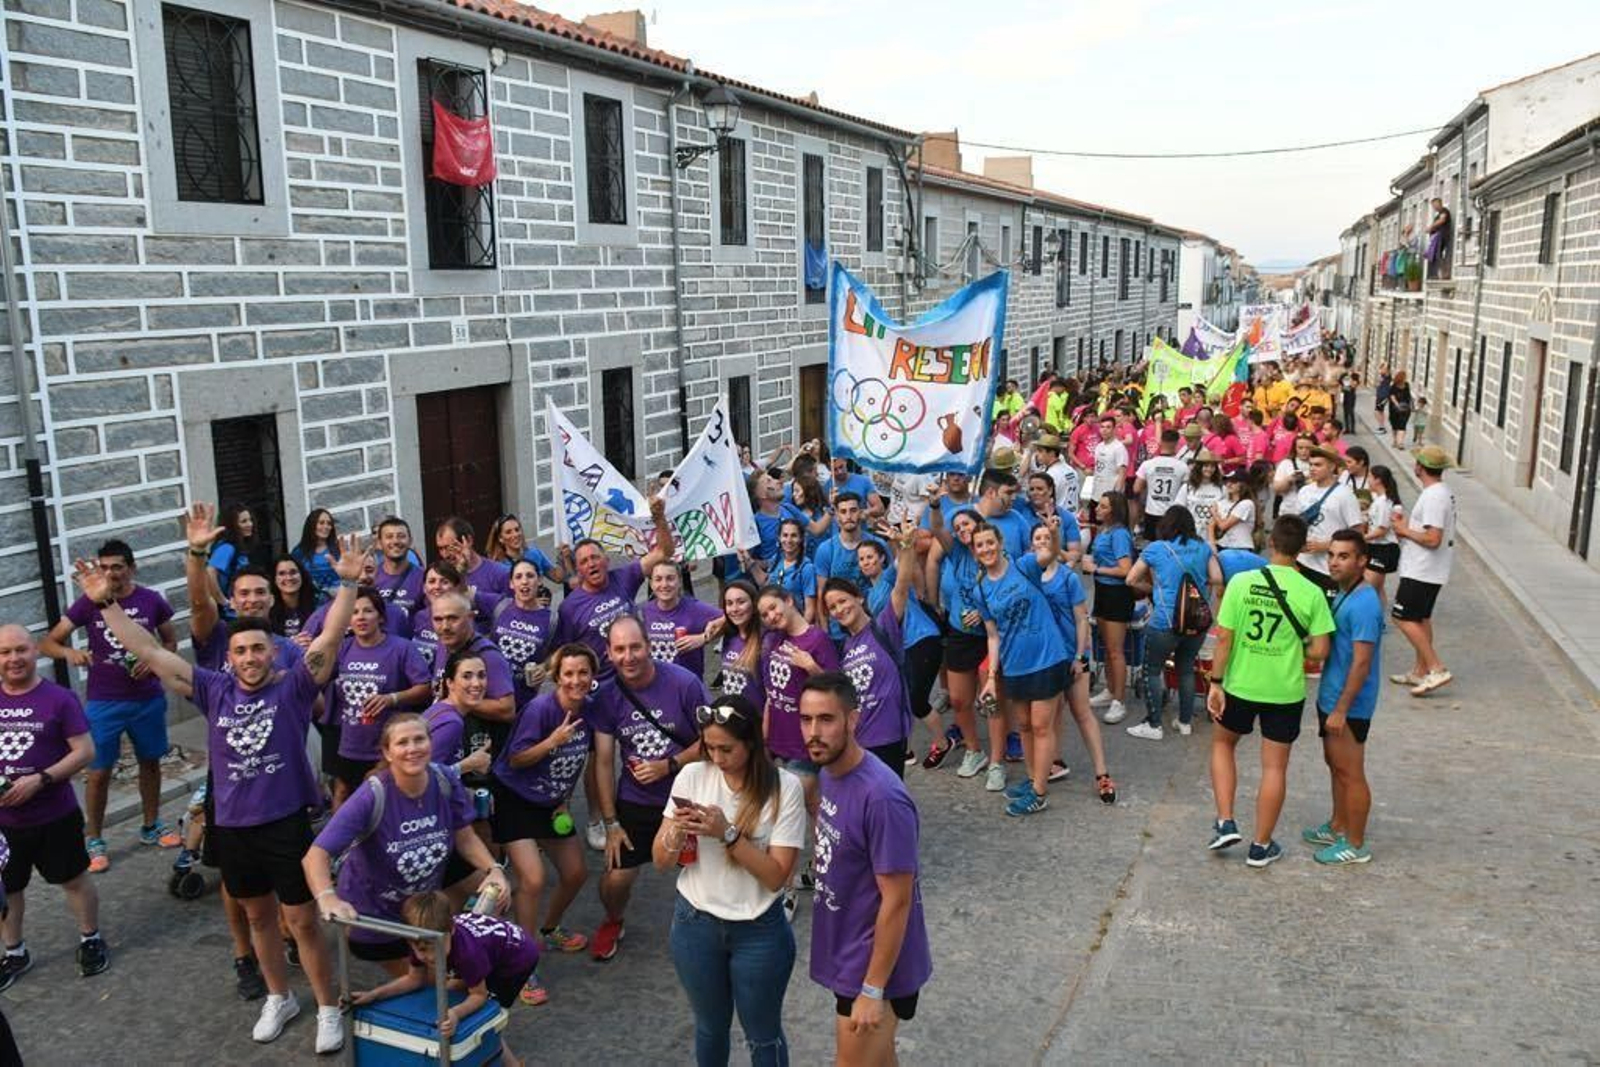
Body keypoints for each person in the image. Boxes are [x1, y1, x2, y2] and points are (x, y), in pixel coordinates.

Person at [79, 537, 368, 1051]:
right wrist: (106, 603)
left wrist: (347, 584)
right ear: (229, 658)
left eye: (259, 648)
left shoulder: (294, 687)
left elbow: (329, 636)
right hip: (233, 825)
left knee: (300, 920)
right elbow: (148, 649)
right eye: (240, 650)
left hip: (285, 824)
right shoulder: (214, 689)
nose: (250, 657)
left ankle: (327, 1005)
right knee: (258, 918)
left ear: (274, 651)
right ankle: (280, 996)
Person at [654, 695, 805, 1066]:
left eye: (726, 749)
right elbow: (660, 861)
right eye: (709, 747)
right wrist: (674, 836)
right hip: (694, 924)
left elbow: (776, 877)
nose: (716, 759)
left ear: (751, 743)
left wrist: (728, 834)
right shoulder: (692, 775)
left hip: (759, 930)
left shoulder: (785, 788)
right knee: (709, 1027)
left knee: (763, 1036)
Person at [799, 673, 932, 1064]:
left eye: (826, 719)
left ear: (853, 720)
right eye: (806, 720)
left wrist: (873, 989)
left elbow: (898, 899)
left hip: (875, 968)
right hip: (848, 952)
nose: (813, 732)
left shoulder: (883, 798)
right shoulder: (830, 772)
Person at [40, 539, 180, 873]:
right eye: (104, 567)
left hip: (147, 697)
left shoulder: (151, 600)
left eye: (117, 566)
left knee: (150, 762)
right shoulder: (88, 603)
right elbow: (47, 643)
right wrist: (70, 653)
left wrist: (158, 662)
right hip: (105, 700)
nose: (110, 573)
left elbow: (171, 640)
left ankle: (151, 825)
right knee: (98, 771)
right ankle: (94, 839)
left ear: (131, 568)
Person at [1204, 516, 1334, 868]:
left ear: (1271, 544)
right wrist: (1295, 651)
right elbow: (1320, 651)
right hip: (1284, 690)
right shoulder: (1312, 592)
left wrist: (1216, 683)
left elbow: (1225, 638)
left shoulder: (1242, 583)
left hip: (1240, 683)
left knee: (1222, 744)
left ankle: (1225, 820)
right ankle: (1261, 846)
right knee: (1274, 767)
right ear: (1303, 549)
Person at [589, 615, 708, 961]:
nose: (629, 657)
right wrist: (610, 823)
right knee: (616, 879)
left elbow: (714, 742)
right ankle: (613, 920)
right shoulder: (608, 696)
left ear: (650, 646)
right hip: (637, 800)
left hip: (688, 796)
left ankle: (713, 931)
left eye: (635, 647)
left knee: (704, 869)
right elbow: (603, 762)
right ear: (609, 654)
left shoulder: (684, 683)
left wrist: (669, 765)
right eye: (620, 649)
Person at [0, 624, 108, 991]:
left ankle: (90, 938)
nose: (13, 659)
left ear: (35, 652)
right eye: (5, 652)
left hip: (54, 813)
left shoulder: (59, 698)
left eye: (20, 650)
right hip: (5, 822)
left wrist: (40, 779)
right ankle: (14, 952)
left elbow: (85, 751)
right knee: (8, 887)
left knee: (74, 879)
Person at [490, 643, 596, 1001]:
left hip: (551, 803)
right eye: (568, 673)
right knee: (532, 879)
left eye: (583, 672)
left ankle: (549, 929)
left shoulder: (590, 711)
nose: (576, 680)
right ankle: (522, 960)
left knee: (576, 873)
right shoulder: (540, 709)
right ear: (556, 677)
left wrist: (564, 802)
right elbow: (517, 758)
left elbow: (577, 761)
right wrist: (552, 741)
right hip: (516, 799)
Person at [352, 892, 539, 1067]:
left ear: (452, 930)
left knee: (486, 1017)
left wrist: (456, 1013)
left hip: (516, 959)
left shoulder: (468, 954)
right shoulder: (422, 937)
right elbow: (413, 979)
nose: (429, 956)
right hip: (489, 950)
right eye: (421, 949)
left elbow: (479, 996)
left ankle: (511, 1063)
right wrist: (374, 995)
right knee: (453, 991)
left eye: (434, 947)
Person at [973, 520, 1070, 814]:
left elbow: (1050, 553)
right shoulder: (980, 590)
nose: (986, 549)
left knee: (1041, 726)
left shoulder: (1024, 565)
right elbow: (993, 635)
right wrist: (991, 677)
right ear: (975, 551)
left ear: (1000, 543)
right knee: (1025, 725)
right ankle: (1032, 779)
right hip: (1014, 666)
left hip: (1046, 657)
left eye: (990, 542)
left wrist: (1053, 532)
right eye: (980, 545)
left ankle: (1040, 792)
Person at [1304, 530, 1382, 866]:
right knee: (1335, 766)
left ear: (1362, 560)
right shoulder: (1344, 593)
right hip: (1332, 696)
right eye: (1332, 555)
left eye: (1344, 556)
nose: (1334, 562)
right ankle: (1337, 825)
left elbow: (1362, 662)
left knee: (1351, 772)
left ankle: (1355, 842)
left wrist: (1341, 709)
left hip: (1348, 705)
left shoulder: (1365, 602)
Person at [1026, 521, 1116, 802]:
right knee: (1050, 715)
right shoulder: (1028, 576)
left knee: (1081, 712)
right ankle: (1052, 762)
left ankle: (1102, 774)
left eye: (1046, 537)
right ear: (1031, 546)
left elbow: (1081, 620)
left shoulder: (1068, 577)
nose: (1042, 542)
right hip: (1046, 659)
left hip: (1073, 655)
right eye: (1037, 538)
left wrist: (1080, 656)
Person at [326, 588, 431, 807]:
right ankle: (339, 842)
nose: (361, 617)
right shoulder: (342, 648)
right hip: (349, 742)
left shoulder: (402, 648)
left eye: (368, 611)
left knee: (382, 799)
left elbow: (425, 688)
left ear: (381, 616)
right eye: (354, 612)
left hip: (388, 744)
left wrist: (391, 698)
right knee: (342, 794)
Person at [550, 497, 676, 681]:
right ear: (579, 571)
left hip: (639, 676)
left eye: (595, 557)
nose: (591, 564)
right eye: (584, 561)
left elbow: (664, 552)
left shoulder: (624, 577)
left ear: (606, 560)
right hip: (603, 689)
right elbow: (564, 653)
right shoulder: (569, 607)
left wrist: (659, 518)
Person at [1126, 507, 1224, 740]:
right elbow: (1218, 578)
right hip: (1196, 621)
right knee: (1186, 668)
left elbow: (1131, 578)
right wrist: (1198, 582)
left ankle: (1154, 724)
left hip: (1165, 621)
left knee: (1152, 669)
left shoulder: (1156, 548)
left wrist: (1154, 589)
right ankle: (1185, 721)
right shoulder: (1202, 547)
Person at [852, 537, 950, 770]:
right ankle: (903, 750)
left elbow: (904, 563)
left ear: (881, 558)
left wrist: (902, 542)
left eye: (870, 557)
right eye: (862, 559)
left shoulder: (889, 577)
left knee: (916, 700)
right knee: (899, 698)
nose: (866, 562)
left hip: (923, 640)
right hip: (903, 649)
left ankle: (943, 743)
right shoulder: (869, 594)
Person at [923, 500, 990, 779]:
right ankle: (975, 751)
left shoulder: (993, 552)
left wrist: (983, 612)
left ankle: (997, 757)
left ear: (979, 525)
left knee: (991, 703)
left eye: (967, 524)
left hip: (991, 636)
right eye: (958, 526)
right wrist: (936, 505)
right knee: (960, 700)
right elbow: (937, 528)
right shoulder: (957, 553)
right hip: (960, 634)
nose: (962, 529)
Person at [1391, 446, 1457, 696]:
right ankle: (1421, 671)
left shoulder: (1433, 496)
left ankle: (1435, 667)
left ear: (1420, 466)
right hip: (1428, 568)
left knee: (1402, 617)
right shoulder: (1440, 492)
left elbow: (1432, 538)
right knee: (1421, 618)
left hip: (1423, 568)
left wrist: (1404, 530)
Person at [1084, 493, 1135, 726]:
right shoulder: (1104, 530)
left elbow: (1126, 569)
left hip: (1116, 594)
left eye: (1103, 506)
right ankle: (1110, 690)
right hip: (1103, 591)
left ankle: (1119, 700)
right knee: (1106, 646)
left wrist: (1096, 569)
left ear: (1113, 511)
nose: (1097, 509)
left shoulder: (1120, 534)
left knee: (1116, 650)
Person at [1292, 446, 1367, 597]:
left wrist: (1326, 545)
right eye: (1311, 464)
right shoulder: (1304, 491)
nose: (1312, 469)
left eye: (1318, 465)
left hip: (1328, 569)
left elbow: (1358, 533)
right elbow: (1296, 524)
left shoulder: (1345, 494)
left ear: (1332, 466)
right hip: (1302, 562)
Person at [642, 559, 724, 679]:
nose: (664, 585)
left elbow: (733, 619)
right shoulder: (646, 611)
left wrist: (703, 638)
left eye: (670, 578)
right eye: (658, 579)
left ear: (680, 581)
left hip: (689, 688)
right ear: (651, 584)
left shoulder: (695, 608)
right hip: (657, 685)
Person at [492, 559, 554, 713]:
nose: (524, 581)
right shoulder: (500, 606)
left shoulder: (552, 619)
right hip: (493, 695)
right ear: (511, 583)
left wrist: (544, 667)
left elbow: (561, 651)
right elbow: (465, 594)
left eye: (530, 576)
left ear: (539, 581)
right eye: (518, 577)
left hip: (527, 702)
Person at [712, 580, 765, 709]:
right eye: (729, 604)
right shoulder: (729, 637)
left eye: (741, 602)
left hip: (758, 718)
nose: (734, 609)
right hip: (733, 716)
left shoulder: (765, 640)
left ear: (754, 604)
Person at [435, 516, 510, 599]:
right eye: (440, 548)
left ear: (468, 541)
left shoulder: (500, 573)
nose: (445, 554)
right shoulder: (438, 579)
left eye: (450, 547)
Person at [1134, 429, 1188, 541]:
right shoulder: (1182, 466)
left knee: (1152, 545)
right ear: (1177, 444)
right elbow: (1187, 490)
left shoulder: (1148, 464)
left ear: (1161, 442)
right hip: (1173, 514)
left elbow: (1136, 488)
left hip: (1152, 512)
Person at [372, 516, 427, 622]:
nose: (395, 541)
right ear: (379, 543)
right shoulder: (372, 577)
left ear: (410, 541)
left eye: (401, 536)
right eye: (389, 537)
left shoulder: (424, 577)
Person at [484, 513, 565, 584]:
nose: (515, 534)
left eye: (517, 529)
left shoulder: (534, 554)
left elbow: (557, 578)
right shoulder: (498, 566)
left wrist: (563, 555)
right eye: (508, 532)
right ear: (500, 538)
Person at [761, 519, 816, 623]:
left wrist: (800, 634)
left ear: (801, 539)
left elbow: (810, 609)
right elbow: (765, 584)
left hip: (795, 625)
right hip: (774, 623)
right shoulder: (776, 560)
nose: (789, 540)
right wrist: (749, 562)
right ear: (779, 538)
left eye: (794, 535)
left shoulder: (807, 568)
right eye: (785, 535)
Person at [207, 502, 261, 609]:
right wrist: (224, 602)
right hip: (229, 613)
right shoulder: (227, 547)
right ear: (232, 525)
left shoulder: (239, 547)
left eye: (250, 520)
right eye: (243, 521)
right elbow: (210, 572)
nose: (250, 524)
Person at [1362, 465, 1401, 605]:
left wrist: (1362, 538)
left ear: (1378, 480)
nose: (1368, 480)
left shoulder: (1384, 502)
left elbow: (1381, 530)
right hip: (1375, 547)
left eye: (1370, 477)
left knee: (1369, 589)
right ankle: (1380, 621)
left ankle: (1375, 621)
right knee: (1377, 589)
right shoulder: (1378, 500)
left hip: (1384, 549)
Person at [1174, 450, 1227, 538]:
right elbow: (1178, 510)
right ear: (1199, 467)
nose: (1209, 469)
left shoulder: (1222, 489)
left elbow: (1225, 511)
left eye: (1212, 466)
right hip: (1190, 534)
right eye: (1206, 466)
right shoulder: (1187, 487)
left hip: (1212, 535)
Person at [292, 508, 342, 597]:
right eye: (321, 523)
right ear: (312, 525)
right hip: (310, 601)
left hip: (337, 599)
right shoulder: (299, 552)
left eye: (329, 523)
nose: (326, 527)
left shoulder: (338, 549)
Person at [268, 554, 319, 640]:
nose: (288, 578)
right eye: (282, 573)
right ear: (274, 579)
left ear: (301, 575)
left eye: (293, 572)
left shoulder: (319, 601)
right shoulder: (267, 606)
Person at [1214, 470, 1258, 550]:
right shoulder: (1222, 502)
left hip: (1240, 547)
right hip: (1221, 545)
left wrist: (1214, 513)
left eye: (1234, 481)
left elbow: (1223, 526)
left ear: (1244, 484)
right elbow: (1211, 525)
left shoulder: (1247, 503)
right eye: (1227, 481)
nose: (1229, 484)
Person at [1091, 414, 1129, 498]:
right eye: (1102, 427)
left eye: (1108, 427)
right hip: (1096, 494)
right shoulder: (1099, 446)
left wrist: (1116, 496)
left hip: (1110, 497)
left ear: (1114, 429)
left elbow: (1122, 475)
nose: (1104, 430)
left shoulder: (1119, 448)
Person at [1387, 371, 1414, 447]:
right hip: (1394, 409)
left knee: (1402, 425)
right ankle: (1395, 440)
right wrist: (1397, 405)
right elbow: (1392, 397)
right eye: (1405, 377)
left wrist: (1410, 405)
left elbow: (1408, 396)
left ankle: (1400, 443)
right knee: (1395, 425)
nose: (1406, 378)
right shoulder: (1394, 386)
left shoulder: (1407, 385)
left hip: (1405, 409)